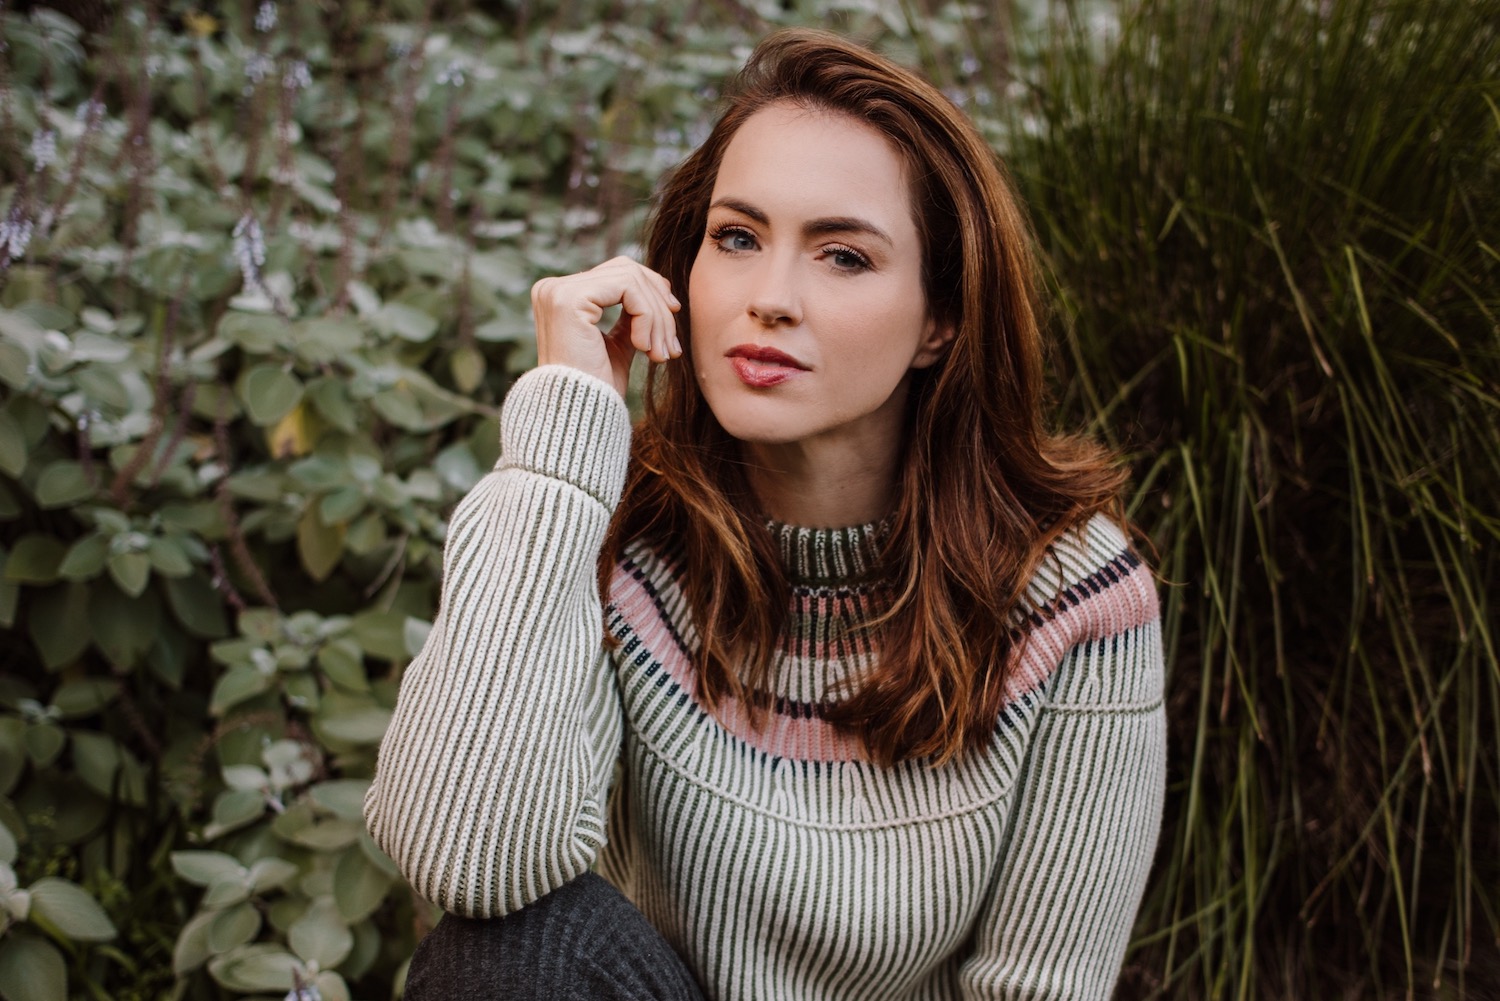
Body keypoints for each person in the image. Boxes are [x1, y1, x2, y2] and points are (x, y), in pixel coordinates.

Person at [364, 27, 1166, 1001]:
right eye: (738, 238)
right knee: (509, 950)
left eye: (843, 255)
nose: (770, 299)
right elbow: (464, 863)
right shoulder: (616, 525)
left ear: (940, 319)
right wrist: (561, 452)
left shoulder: (1072, 591)